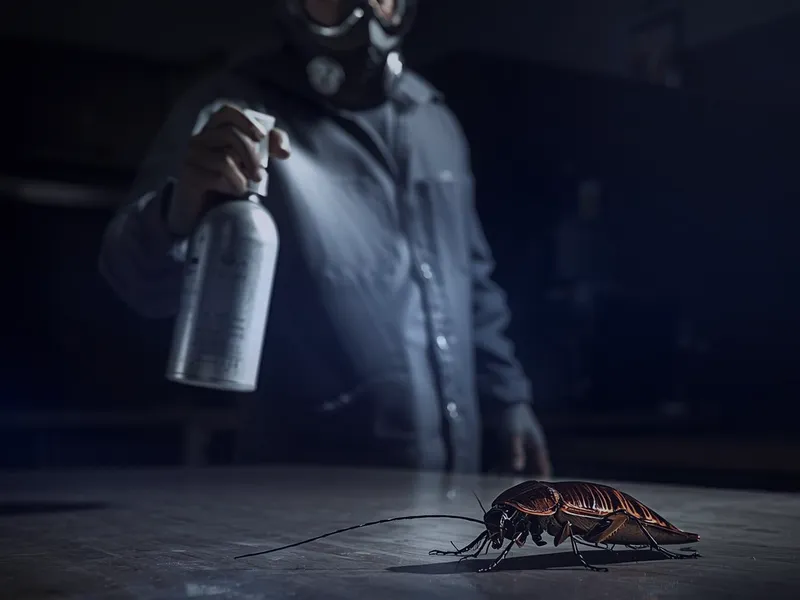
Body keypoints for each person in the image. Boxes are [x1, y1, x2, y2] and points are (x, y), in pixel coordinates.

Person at [98, 0, 551, 476]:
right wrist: (179, 208)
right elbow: (135, 281)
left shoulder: (433, 120)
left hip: (451, 472)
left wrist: (508, 398)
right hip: (309, 478)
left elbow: (470, 279)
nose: (362, 8)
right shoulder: (239, 108)